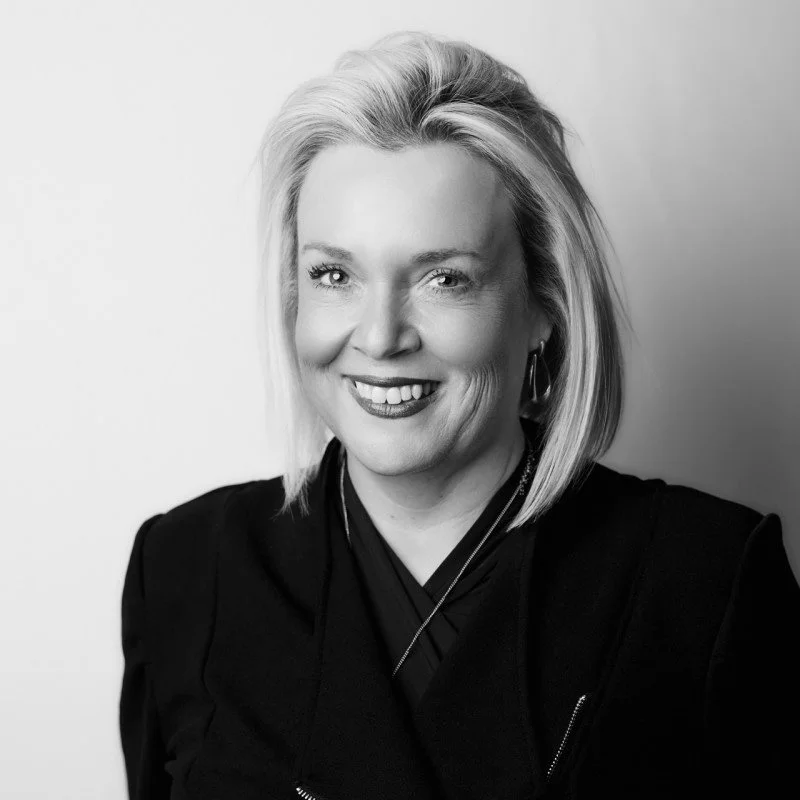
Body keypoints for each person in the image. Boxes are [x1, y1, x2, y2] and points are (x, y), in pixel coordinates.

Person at [119, 31, 800, 799]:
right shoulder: (184, 570)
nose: (378, 336)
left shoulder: (706, 579)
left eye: (444, 277)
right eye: (334, 273)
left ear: (545, 304)